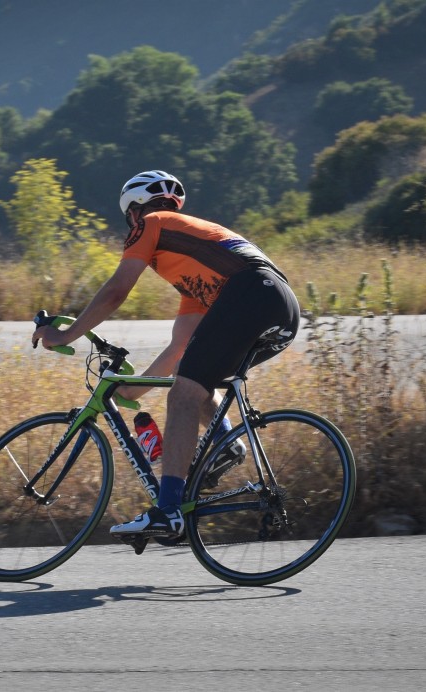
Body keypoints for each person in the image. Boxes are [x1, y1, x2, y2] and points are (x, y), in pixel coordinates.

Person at [32, 170, 300, 539]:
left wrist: (63, 333)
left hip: (251, 294)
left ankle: (168, 510)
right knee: (193, 376)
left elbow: (116, 291)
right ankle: (224, 445)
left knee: (184, 394)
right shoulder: (195, 263)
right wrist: (128, 393)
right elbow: (178, 348)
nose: (132, 230)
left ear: (133, 212)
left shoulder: (152, 222)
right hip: (281, 307)